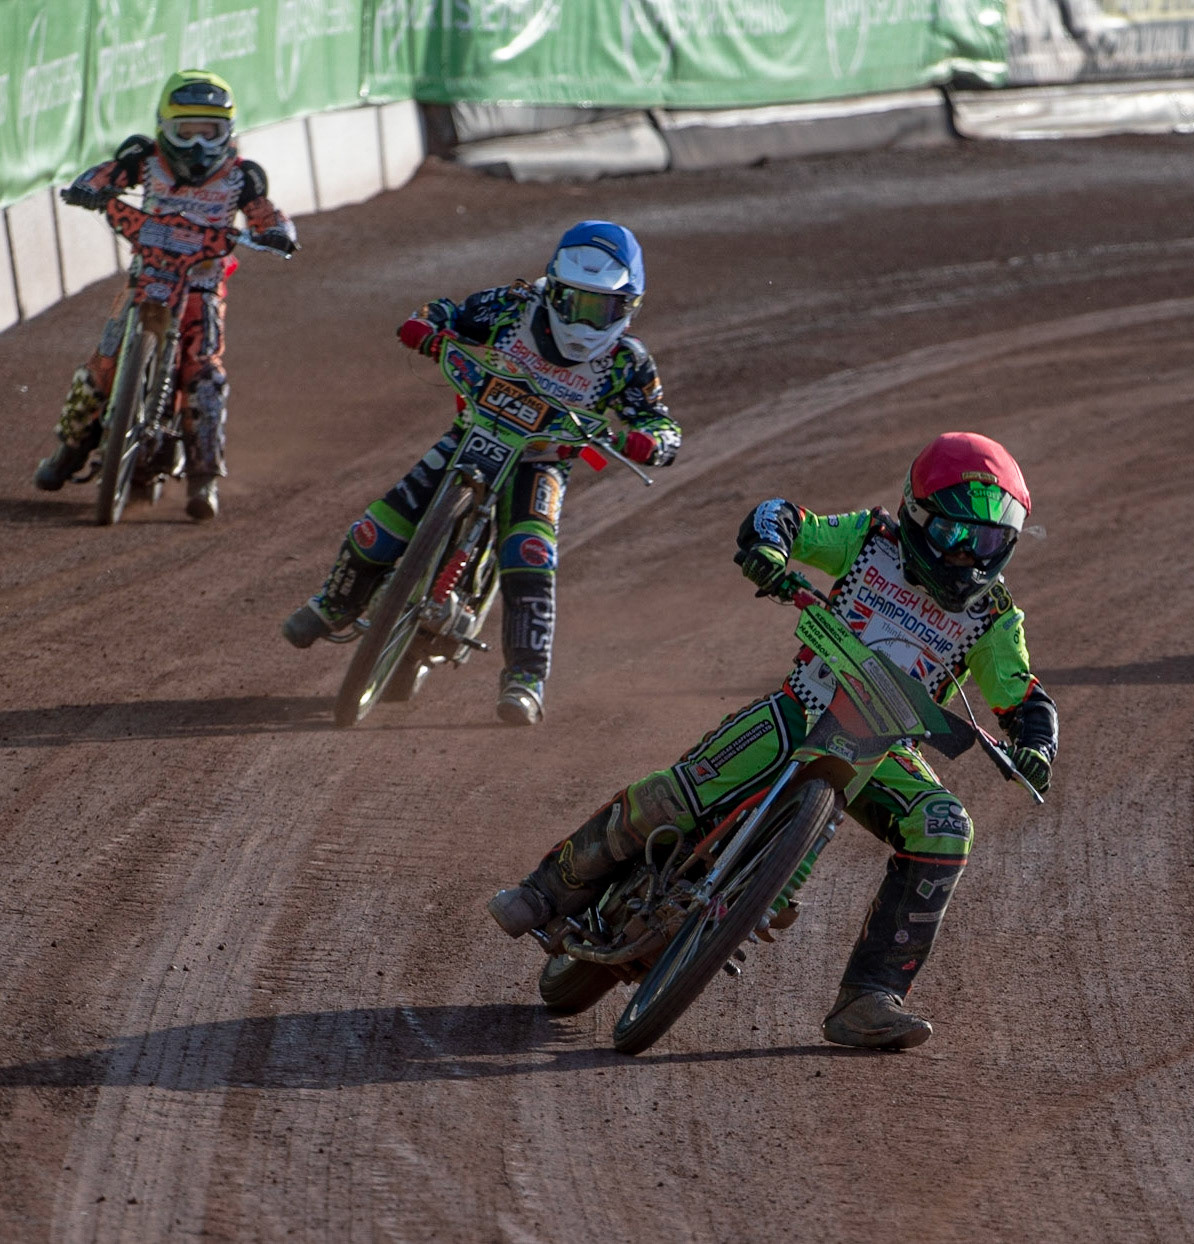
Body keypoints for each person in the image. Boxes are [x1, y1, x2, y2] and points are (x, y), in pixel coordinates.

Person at [487, 432, 1059, 1050]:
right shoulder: (871, 540)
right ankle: (546, 890)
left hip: (885, 748)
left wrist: (1035, 742)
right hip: (801, 708)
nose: (967, 557)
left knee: (947, 825)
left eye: (989, 541)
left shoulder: (994, 616)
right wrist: (768, 546)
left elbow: (1023, 695)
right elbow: (783, 516)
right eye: (955, 535)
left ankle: (870, 997)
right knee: (671, 801)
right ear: (917, 514)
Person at [279, 220, 680, 725]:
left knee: (530, 556)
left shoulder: (628, 362)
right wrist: (425, 326)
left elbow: (659, 423)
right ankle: (333, 604)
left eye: (600, 307)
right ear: (553, 289)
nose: (585, 319)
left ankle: (526, 678)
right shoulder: (512, 307)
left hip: (541, 463)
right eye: (575, 301)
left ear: (627, 307)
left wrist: (649, 442)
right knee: (378, 527)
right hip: (471, 437)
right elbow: (449, 312)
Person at [31, 69, 299, 520]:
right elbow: (106, 173)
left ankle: (203, 478)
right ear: (165, 125)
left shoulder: (243, 175)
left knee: (204, 373)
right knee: (104, 361)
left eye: (207, 132)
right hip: (147, 275)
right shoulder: (145, 156)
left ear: (227, 130)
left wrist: (277, 233)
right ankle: (68, 451)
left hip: (201, 285)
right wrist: (88, 188)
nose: (196, 144)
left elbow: (264, 213)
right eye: (186, 131)